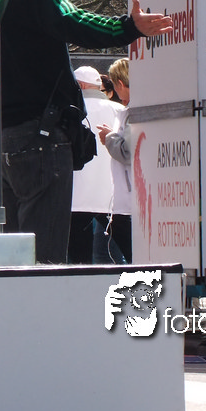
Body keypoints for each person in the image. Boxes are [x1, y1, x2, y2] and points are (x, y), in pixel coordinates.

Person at [0, 0, 173, 264]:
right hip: (39, 138)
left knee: (15, 255)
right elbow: (74, 21)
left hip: (7, 136)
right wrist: (128, 27)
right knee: (43, 260)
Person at [68, 66, 122, 263]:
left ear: (80, 85)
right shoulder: (119, 110)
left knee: (78, 262)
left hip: (75, 198)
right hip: (113, 197)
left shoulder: (69, 111)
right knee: (119, 256)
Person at [97, 57, 133, 261]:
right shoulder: (133, 110)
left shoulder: (133, 112)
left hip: (128, 203)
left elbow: (127, 151)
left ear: (119, 83)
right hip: (128, 201)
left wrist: (109, 137)